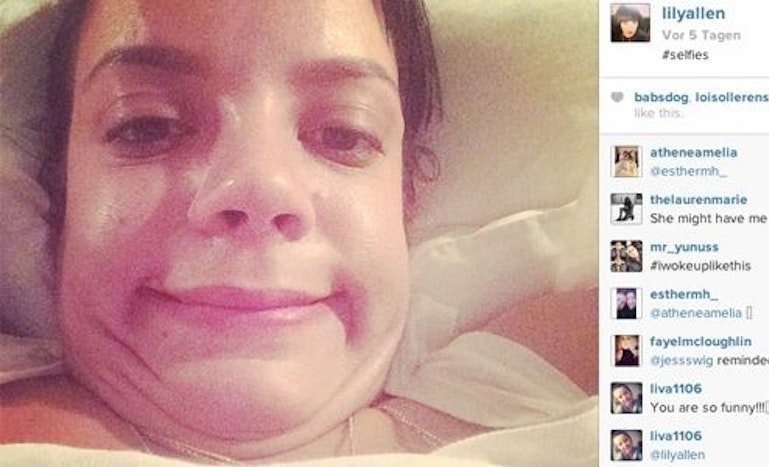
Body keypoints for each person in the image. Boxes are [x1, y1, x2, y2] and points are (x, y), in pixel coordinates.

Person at [0, 0, 597, 463]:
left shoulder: (510, 396)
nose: (259, 189)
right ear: (59, 197)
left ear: (407, 199)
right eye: (148, 125)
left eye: (344, 134)